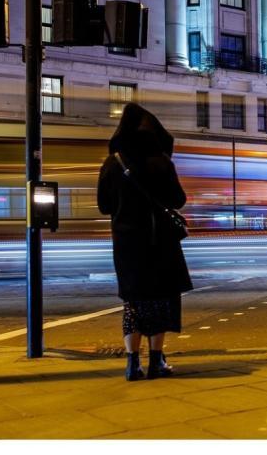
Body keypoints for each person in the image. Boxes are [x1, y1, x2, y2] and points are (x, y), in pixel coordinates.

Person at [97, 103, 193, 381]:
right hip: (160, 242)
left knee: (134, 302)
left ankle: (131, 364)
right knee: (160, 300)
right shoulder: (161, 161)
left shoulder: (112, 163)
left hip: (127, 244)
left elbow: (104, 206)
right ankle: (156, 362)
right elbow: (178, 200)